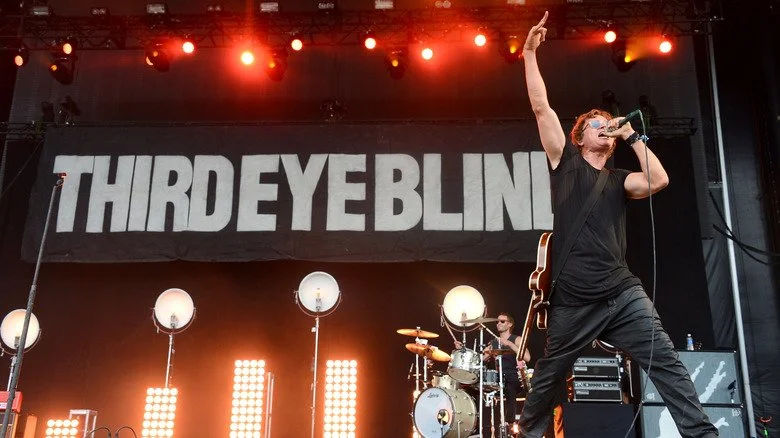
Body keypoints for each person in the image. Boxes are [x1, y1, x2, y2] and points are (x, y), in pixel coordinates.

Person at [518, 11, 718, 438]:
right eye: (595, 124)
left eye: (605, 124)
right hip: (573, 299)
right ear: (580, 136)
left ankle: (702, 434)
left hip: (621, 293)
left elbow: (660, 180)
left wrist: (631, 135)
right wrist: (530, 53)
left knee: (664, 359)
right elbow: (540, 106)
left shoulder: (618, 179)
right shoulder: (565, 161)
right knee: (549, 376)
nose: (602, 127)